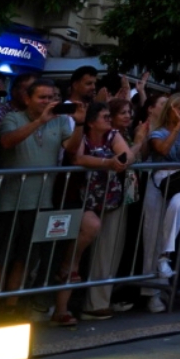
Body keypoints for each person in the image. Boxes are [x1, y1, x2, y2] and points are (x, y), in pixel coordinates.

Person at [0, 77, 73, 312]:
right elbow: (7, 141)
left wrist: (82, 125)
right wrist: (40, 121)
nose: (47, 102)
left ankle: (10, 308)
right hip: (9, 201)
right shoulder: (13, 117)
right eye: (42, 97)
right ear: (27, 99)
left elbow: (72, 149)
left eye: (51, 97)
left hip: (42, 200)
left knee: (24, 258)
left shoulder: (61, 120)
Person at [52, 100, 130, 325]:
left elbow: (126, 156)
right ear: (91, 122)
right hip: (76, 197)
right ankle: (60, 305)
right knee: (83, 237)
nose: (109, 120)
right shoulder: (79, 135)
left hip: (104, 198)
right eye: (105, 117)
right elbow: (77, 157)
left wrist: (120, 161)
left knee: (76, 260)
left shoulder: (113, 135)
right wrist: (107, 162)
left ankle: (62, 310)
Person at [137, 94, 180, 309]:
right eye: (179, 107)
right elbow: (162, 150)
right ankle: (152, 293)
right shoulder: (158, 131)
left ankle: (165, 255)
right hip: (158, 184)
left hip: (179, 184)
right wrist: (177, 129)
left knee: (179, 206)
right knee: (152, 235)